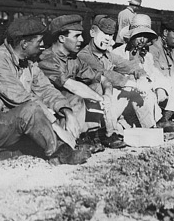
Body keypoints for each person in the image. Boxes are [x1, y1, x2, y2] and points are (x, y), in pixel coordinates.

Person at [0, 16, 93, 165]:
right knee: (31, 109)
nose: (42, 45)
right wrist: (55, 125)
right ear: (24, 43)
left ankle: (75, 139)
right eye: (38, 41)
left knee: (66, 101)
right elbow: (22, 99)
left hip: (14, 124)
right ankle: (60, 152)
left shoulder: (28, 62)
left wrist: (68, 113)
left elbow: (46, 89)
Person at [38, 14, 127, 149]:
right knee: (77, 96)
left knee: (97, 86)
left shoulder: (73, 59)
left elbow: (102, 78)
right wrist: (100, 98)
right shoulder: (47, 59)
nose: (82, 39)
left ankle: (100, 134)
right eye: (76, 36)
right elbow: (72, 86)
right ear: (62, 38)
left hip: (70, 106)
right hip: (52, 106)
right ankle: (78, 139)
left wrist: (107, 94)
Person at [76, 15, 160, 131]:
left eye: (110, 35)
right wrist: (133, 84)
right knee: (131, 89)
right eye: (104, 34)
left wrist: (141, 77)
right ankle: (111, 131)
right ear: (92, 33)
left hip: (110, 99)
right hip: (93, 102)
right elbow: (104, 73)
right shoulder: (83, 55)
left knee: (136, 92)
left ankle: (151, 129)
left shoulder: (108, 55)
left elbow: (128, 65)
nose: (107, 39)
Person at [114, 14, 174, 131]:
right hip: (126, 98)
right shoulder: (118, 53)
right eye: (139, 36)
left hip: (146, 98)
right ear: (131, 36)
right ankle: (154, 128)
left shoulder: (147, 56)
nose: (142, 41)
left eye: (146, 37)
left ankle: (163, 121)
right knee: (142, 95)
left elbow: (155, 74)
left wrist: (160, 88)